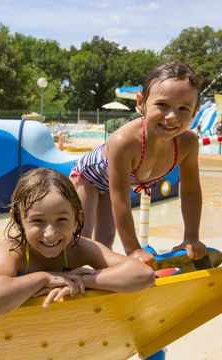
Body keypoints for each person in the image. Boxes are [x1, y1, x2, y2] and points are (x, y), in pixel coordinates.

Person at [70, 60, 206, 265]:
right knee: (81, 239)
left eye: (183, 108)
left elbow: (191, 191)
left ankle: (99, 279)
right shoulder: (124, 142)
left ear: (195, 111)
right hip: (88, 178)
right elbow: (121, 200)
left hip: (111, 184)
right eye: (162, 105)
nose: (171, 116)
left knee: (105, 241)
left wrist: (191, 238)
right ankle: (69, 274)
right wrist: (133, 250)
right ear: (141, 103)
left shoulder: (188, 144)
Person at [0, 168, 154, 316]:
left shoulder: (78, 248)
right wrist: (45, 278)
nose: (50, 234)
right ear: (19, 220)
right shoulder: (14, 250)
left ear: (76, 219)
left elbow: (142, 274)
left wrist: (81, 280)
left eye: (61, 220)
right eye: (38, 221)